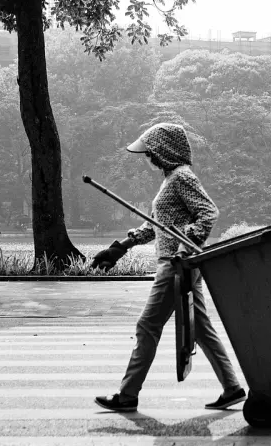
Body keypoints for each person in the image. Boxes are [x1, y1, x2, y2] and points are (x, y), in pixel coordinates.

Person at [91, 123, 246, 412]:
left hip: (175, 265)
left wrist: (185, 246)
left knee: (147, 326)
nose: (148, 158)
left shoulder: (181, 177)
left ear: (164, 150)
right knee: (200, 328)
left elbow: (208, 213)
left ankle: (127, 395)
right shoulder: (170, 179)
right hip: (184, 264)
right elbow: (157, 226)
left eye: (150, 152)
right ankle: (232, 387)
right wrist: (120, 247)